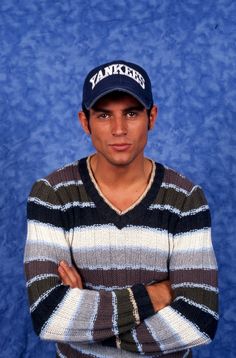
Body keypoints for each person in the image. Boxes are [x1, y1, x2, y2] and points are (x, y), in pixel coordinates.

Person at [24, 60, 218, 358]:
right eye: (103, 115)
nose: (119, 129)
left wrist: (86, 319)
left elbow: (199, 320)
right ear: (84, 121)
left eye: (131, 113)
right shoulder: (52, 195)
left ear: (151, 117)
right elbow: (49, 317)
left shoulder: (185, 199)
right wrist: (155, 295)